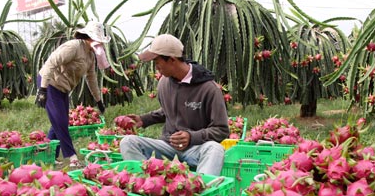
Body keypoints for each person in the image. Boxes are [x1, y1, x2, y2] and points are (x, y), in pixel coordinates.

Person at [119, 34, 229, 176]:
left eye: (157, 62)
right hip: (168, 147)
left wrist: (191, 137)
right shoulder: (164, 83)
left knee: (215, 149)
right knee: (128, 142)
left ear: (172, 59)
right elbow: (168, 111)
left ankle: (202, 191)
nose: (156, 67)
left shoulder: (209, 88)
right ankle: (149, 185)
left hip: (195, 148)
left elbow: (221, 129)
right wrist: (144, 119)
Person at [35, 21, 110, 168]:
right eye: (98, 40)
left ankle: (48, 156)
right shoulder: (73, 47)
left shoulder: (90, 55)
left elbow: (91, 78)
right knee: (61, 122)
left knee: (58, 122)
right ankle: (72, 157)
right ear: (90, 37)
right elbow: (50, 64)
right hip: (50, 83)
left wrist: (98, 100)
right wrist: (42, 89)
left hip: (63, 88)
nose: (100, 44)